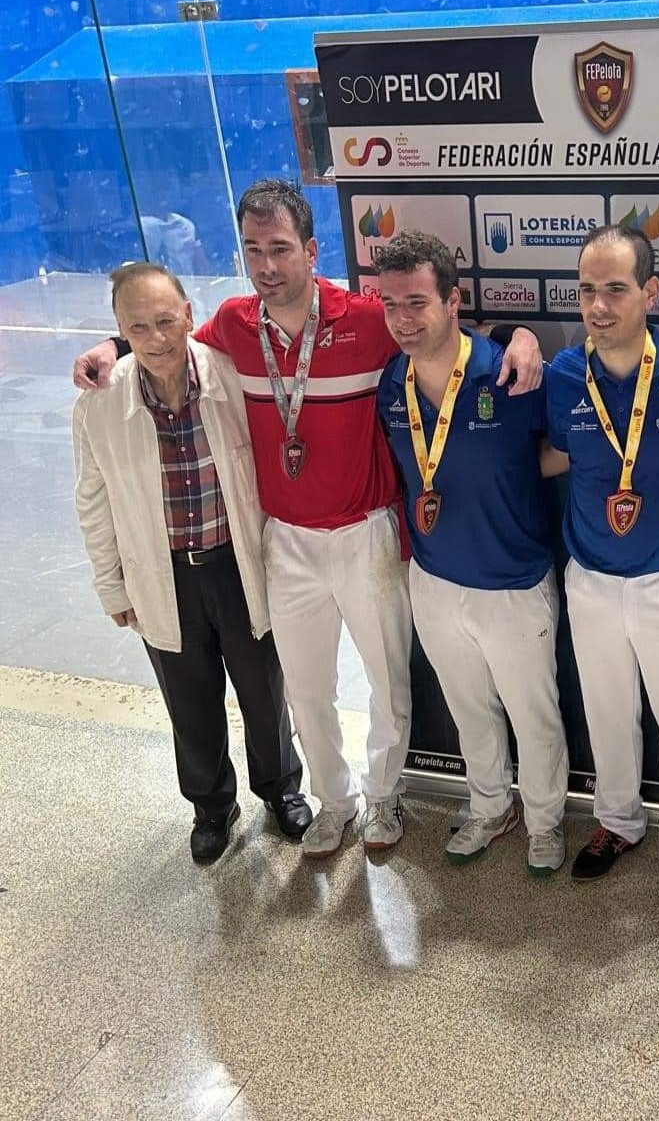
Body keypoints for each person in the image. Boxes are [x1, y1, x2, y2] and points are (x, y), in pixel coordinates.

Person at [71, 179, 543, 858]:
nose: (267, 266)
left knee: (387, 680)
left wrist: (518, 333)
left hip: (366, 532)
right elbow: (161, 340)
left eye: (282, 249)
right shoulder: (232, 327)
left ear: (312, 250)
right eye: (254, 250)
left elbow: (441, 330)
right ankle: (335, 799)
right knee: (308, 687)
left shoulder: (368, 316)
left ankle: (383, 799)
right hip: (283, 541)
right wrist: (110, 348)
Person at [73, 263, 310, 862]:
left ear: (187, 313)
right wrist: (111, 587)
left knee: (264, 690)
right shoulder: (100, 406)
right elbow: (93, 503)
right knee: (189, 698)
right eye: (136, 327)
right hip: (164, 573)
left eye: (164, 320)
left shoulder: (231, 377)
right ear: (119, 329)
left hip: (237, 564)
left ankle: (280, 788)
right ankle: (211, 805)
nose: (155, 339)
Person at [374, 230, 570, 875]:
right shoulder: (389, 384)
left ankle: (544, 819)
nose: (403, 319)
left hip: (513, 577)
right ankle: (490, 806)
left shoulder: (512, 371)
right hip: (433, 577)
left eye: (417, 303)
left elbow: (567, 449)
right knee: (468, 709)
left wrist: (512, 478)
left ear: (454, 302)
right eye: (391, 305)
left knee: (533, 712)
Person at [543, 225, 659, 898]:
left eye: (615, 289)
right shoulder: (564, 377)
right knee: (607, 711)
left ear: (650, 292)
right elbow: (557, 454)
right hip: (591, 577)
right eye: (587, 290)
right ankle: (617, 823)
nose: (598, 305)